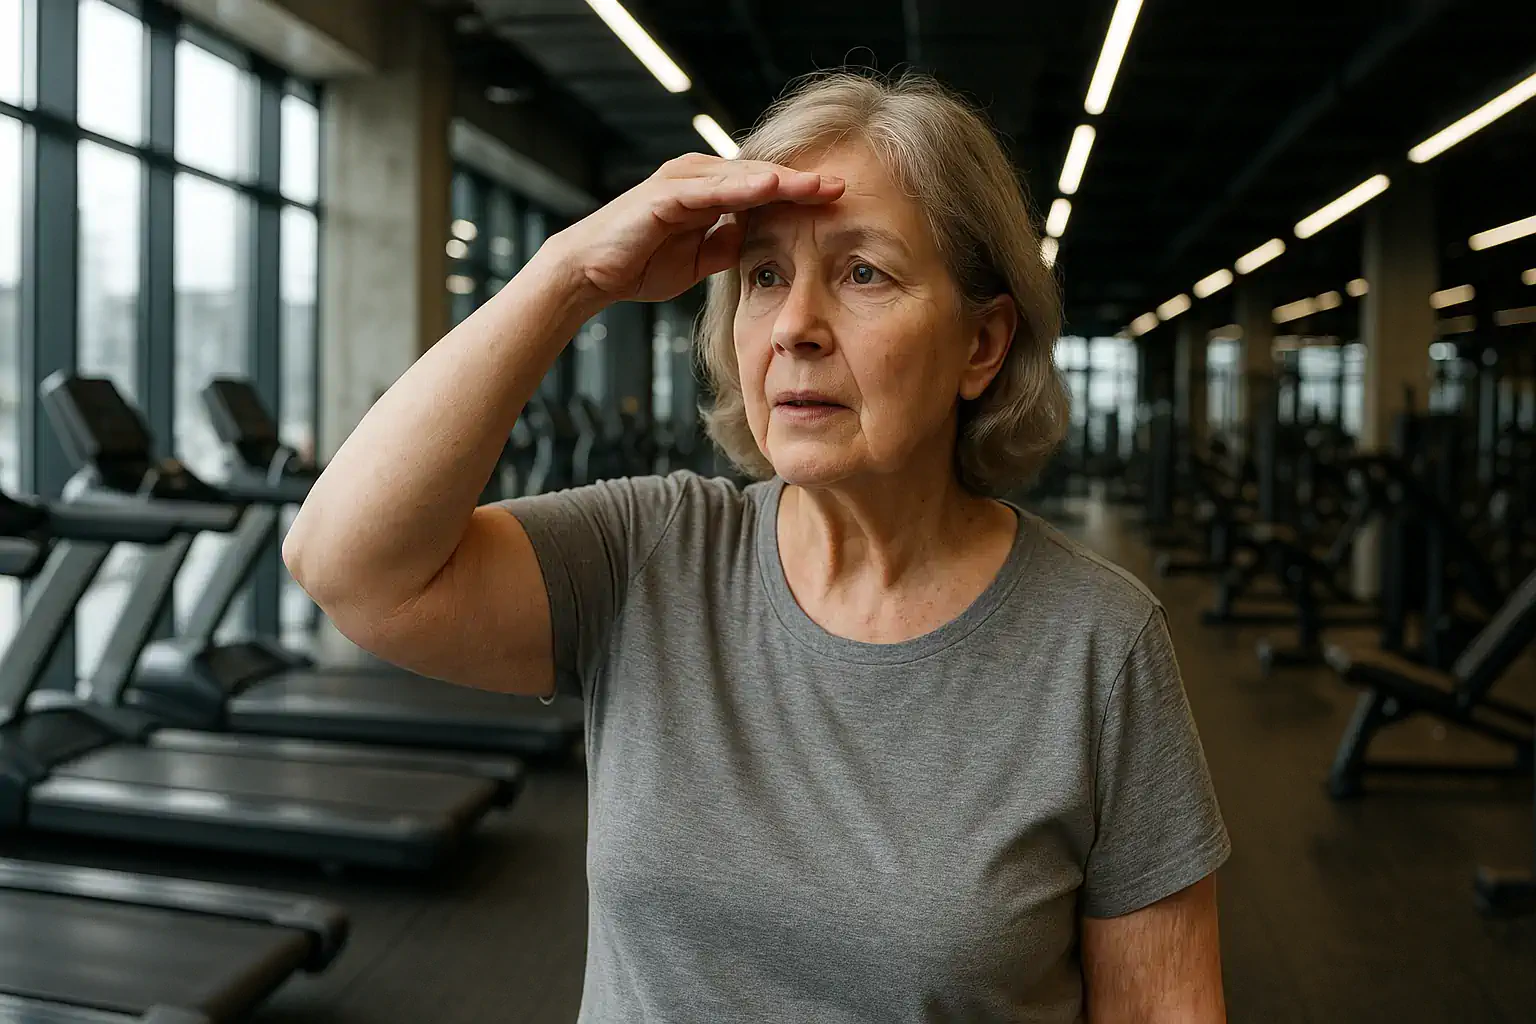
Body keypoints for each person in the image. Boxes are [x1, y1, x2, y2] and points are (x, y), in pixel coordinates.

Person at [285, 71, 1230, 1024]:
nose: (794, 327)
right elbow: (345, 563)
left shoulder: (1098, 644)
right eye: (765, 276)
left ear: (982, 345)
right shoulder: (652, 551)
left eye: (864, 273)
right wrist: (568, 275)